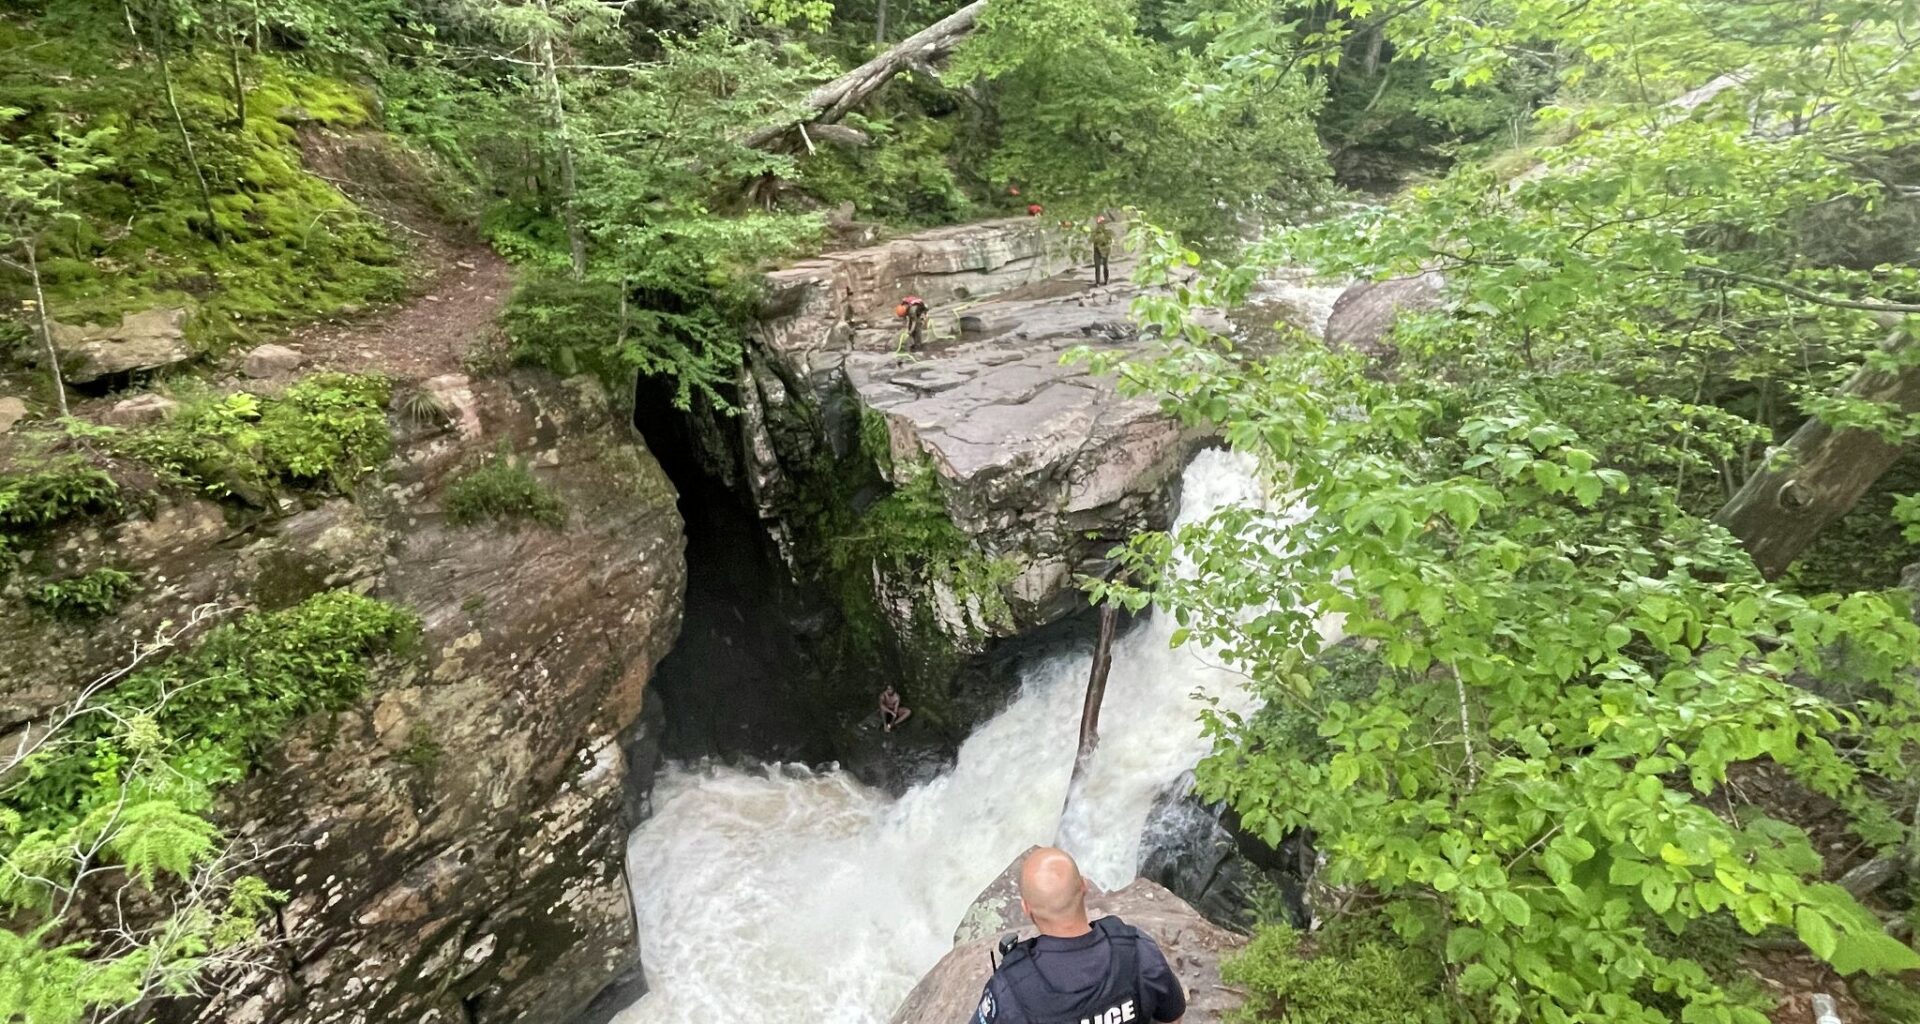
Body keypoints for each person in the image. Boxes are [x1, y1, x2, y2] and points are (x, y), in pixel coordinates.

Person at [973, 848, 1185, 1024]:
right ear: (1084, 886)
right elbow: (1173, 1017)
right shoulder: (1137, 951)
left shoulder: (1011, 989)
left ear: (1026, 908)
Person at [1090, 216, 1114, 287]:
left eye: (1102, 222)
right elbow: (1092, 239)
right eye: (1099, 222)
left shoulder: (1108, 232)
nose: (1100, 224)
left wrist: (1106, 245)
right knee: (1097, 267)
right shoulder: (1095, 231)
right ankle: (1097, 282)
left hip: (1105, 250)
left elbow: (1111, 241)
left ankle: (1106, 280)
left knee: (1105, 266)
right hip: (1097, 250)